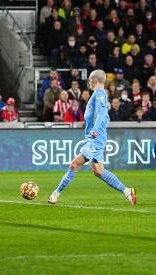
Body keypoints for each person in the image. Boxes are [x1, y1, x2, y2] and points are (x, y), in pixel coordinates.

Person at [48, 70, 137, 206]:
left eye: (90, 79)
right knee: (98, 171)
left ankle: (55, 194)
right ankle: (127, 191)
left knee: (74, 164)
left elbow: (102, 113)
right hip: (94, 138)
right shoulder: (98, 94)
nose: (89, 82)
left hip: (96, 138)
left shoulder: (100, 94)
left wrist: (95, 129)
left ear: (95, 80)